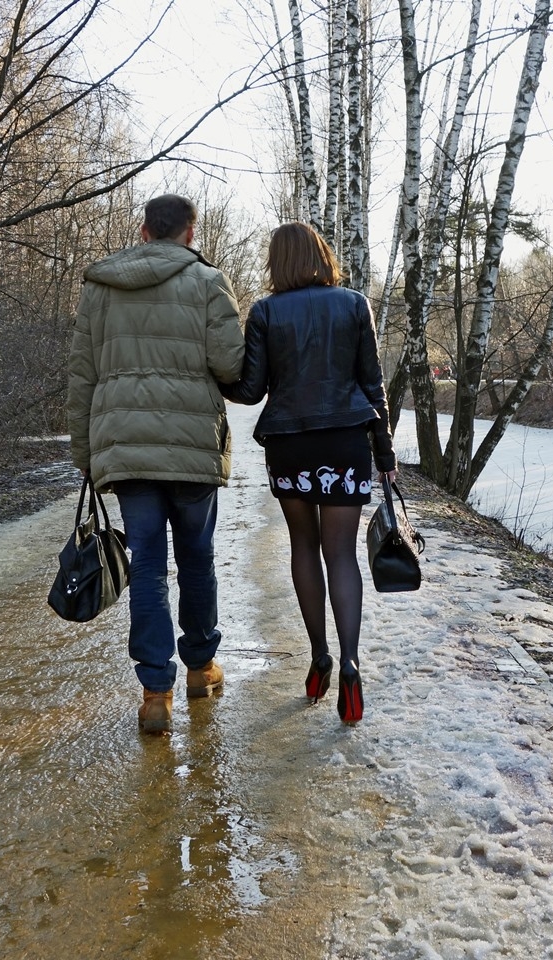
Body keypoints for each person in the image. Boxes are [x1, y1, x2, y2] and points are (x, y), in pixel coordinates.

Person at [67, 194, 245, 735]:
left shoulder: (101, 286)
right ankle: (200, 667)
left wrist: (87, 455)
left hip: (125, 448)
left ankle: (154, 692)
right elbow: (231, 365)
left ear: (143, 231)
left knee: (146, 566)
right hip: (192, 445)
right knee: (196, 560)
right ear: (190, 232)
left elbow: (83, 376)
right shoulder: (209, 282)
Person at [222, 222, 396, 725]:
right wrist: (383, 455)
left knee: (304, 547)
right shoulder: (355, 303)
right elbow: (372, 385)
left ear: (277, 262)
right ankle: (350, 663)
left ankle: (319, 655)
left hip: (290, 443)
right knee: (340, 553)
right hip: (345, 439)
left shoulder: (265, 312)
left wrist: (215, 377)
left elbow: (251, 391)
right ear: (323, 255)